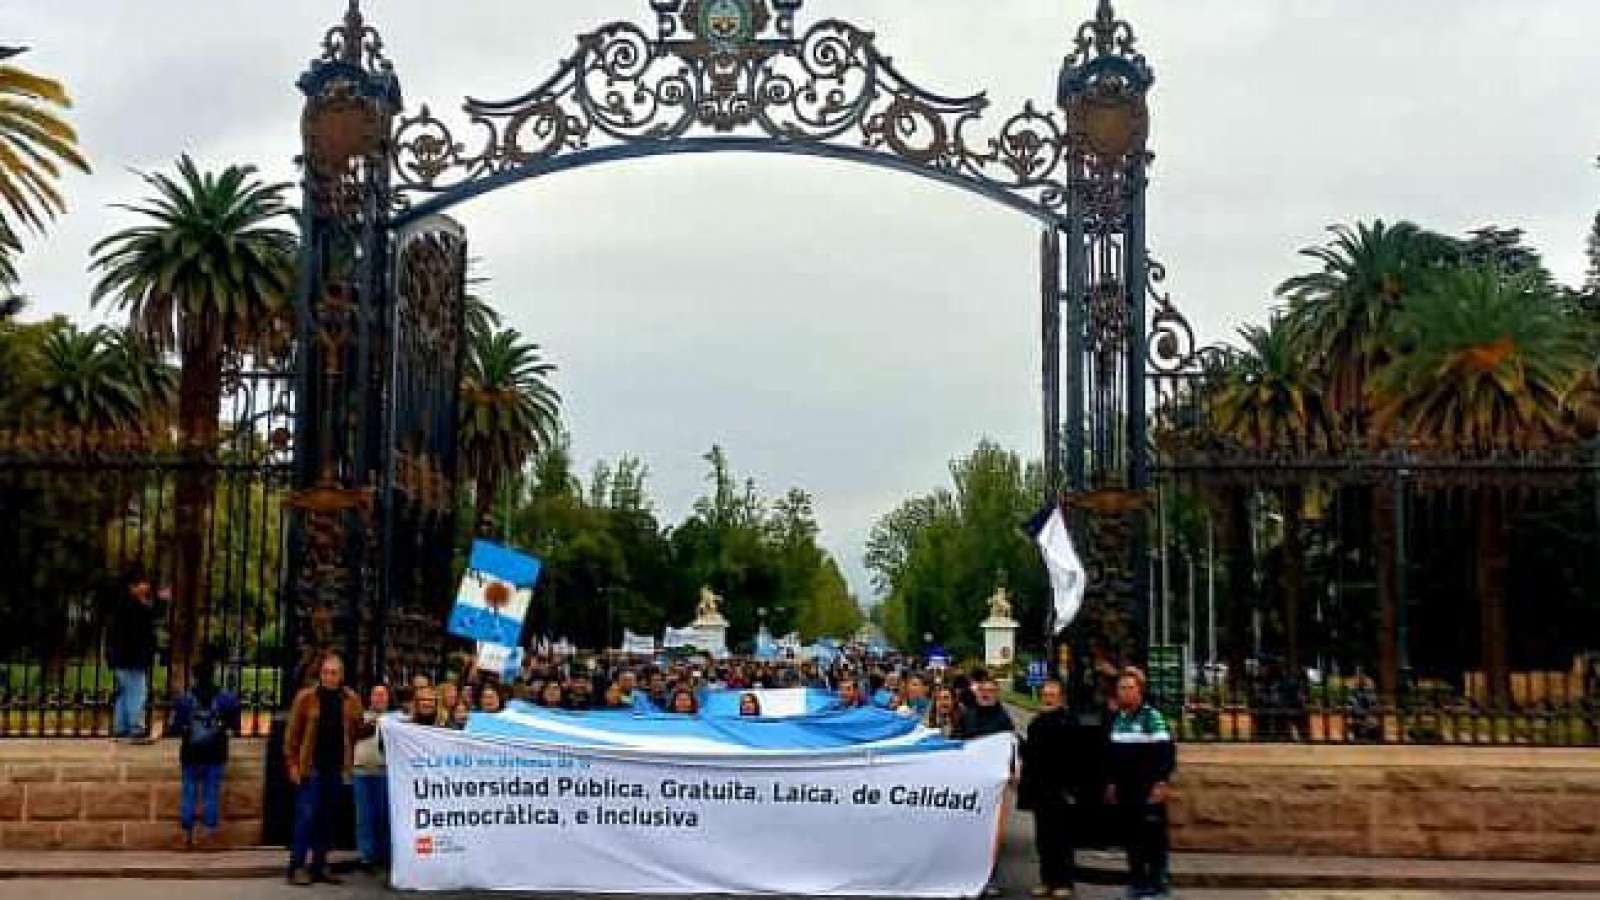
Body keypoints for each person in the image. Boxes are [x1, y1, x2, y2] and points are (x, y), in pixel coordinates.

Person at [284, 651, 364, 887]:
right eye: (326, 672)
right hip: (311, 768)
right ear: (320, 674)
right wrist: (292, 763)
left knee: (327, 819)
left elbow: (357, 731)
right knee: (305, 818)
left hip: (336, 769)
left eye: (334, 673)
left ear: (341, 675)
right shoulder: (306, 698)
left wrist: (381, 723)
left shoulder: (351, 699)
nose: (330, 676)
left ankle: (320, 865)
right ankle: (297, 866)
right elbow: (292, 734)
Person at [1105, 668, 1175, 900]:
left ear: (1140, 691)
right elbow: (1114, 756)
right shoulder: (1119, 720)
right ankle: (1137, 883)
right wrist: (1113, 783)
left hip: (1148, 790)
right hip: (1126, 790)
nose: (1125, 692)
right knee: (1132, 839)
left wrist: (1160, 782)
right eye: (1121, 688)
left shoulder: (1151, 717)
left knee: (1153, 839)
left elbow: (1165, 753)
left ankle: (1157, 886)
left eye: (1130, 688)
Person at [168, 659, 240, 849]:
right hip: (215, 753)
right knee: (211, 793)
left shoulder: (184, 699)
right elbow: (235, 727)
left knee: (189, 792)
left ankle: (187, 834)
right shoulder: (226, 699)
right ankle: (209, 835)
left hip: (190, 753)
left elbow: (175, 728)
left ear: (195, 675)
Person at [1019, 679, 1078, 898]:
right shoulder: (1036, 723)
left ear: (1061, 697)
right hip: (1040, 790)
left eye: (1052, 694)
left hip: (1061, 790)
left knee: (1061, 838)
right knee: (1043, 838)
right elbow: (1033, 757)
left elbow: (1075, 759)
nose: (1048, 697)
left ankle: (1064, 882)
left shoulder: (1069, 722)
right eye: (1045, 694)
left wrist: (1072, 788)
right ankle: (1046, 880)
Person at [106, 567, 158, 741]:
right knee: (137, 691)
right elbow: (143, 633)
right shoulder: (135, 607)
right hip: (133, 658)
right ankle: (135, 728)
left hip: (121, 657)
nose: (147, 586)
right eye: (143, 583)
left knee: (125, 692)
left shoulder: (120, 605)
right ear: (133, 587)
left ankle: (121, 727)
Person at [353, 683, 391, 872]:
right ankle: (366, 857)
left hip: (385, 773)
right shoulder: (360, 717)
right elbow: (352, 734)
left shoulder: (395, 720)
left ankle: (385, 855)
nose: (379, 698)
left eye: (383, 695)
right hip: (361, 773)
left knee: (384, 816)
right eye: (376, 694)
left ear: (388, 698)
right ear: (370, 698)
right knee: (364, 817)